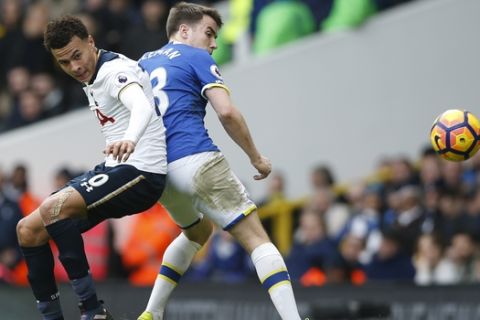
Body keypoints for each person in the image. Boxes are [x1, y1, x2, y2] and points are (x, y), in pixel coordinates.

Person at [137, 2, 301, 320]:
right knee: (257, 238)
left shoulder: (140, 63)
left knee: (197, 232)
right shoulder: (194, 56)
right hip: (196, 159)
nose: (213, 44)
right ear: (183, 31)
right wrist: (256, 157)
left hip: (160, 174)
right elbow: (226, 112)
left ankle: (152, 313)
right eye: (209, 34)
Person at [16, 16, 168, 320]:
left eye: (77, 55)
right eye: (65, 62)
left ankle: (92, 310)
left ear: (91, 42)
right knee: (28, 231)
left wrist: (130, 138)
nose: (74, 66)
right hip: (115, 169)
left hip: (141, 173)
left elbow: (141, 106)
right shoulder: (91, 77)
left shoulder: (114, 71)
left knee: (53, 209)